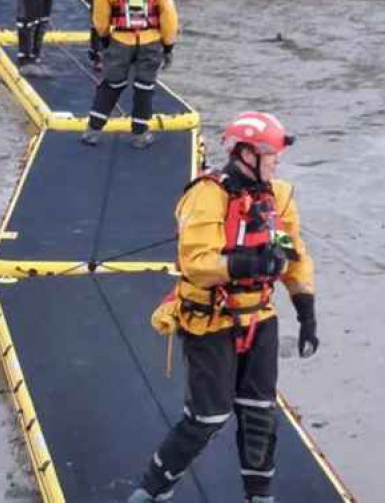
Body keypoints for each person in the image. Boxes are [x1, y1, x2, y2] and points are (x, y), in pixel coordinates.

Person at [130, 112, 320, 503]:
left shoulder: (278, 196)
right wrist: (246, 264)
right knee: (208, 417)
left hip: (259, 318)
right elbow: (197, 263)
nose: (276, 161)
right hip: (210, 319)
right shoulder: (207, 195)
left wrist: (306, 312)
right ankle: (152, 490)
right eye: (271, 153)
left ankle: (259, 495)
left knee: (259, 412)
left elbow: (293, 254)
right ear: (246, 153)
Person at [80, 0, 176, 150]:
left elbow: (100, 17)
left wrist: (104, 39)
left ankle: (93, 131)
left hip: (120, 41)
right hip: (150, 42)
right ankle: (140, 135)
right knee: (144, 88)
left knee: (111, 85)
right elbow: (169, 17)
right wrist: (168, 46)